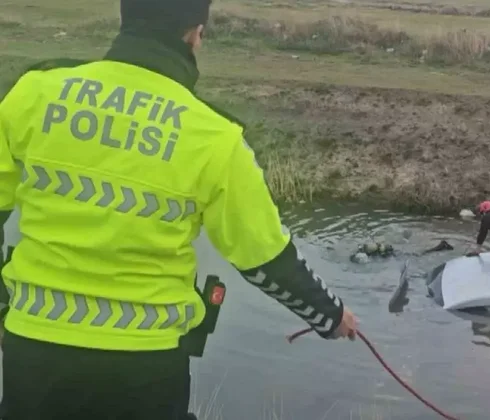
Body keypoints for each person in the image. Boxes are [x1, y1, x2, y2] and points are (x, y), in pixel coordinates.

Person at [0, 1, 358, 419]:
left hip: (34, 352)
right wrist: (330, 315)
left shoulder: (35, 93)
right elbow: (264, 257)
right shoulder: (215, 137)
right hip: (146, 366)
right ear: (194, 34)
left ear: (126, 17)